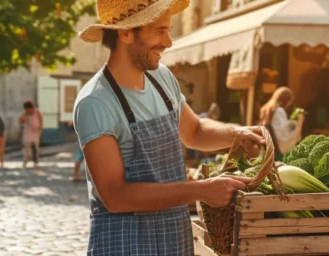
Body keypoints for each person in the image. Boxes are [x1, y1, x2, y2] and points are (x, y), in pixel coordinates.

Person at [73, 0, 265, 253]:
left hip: (174, 240)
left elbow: (194, 131)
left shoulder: (161, 78)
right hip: (125, 244)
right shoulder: (95, 102)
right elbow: (116, 196)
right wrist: (201, 191)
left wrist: (236, 134)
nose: (169, 42)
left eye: (168, 30)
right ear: (126, 32)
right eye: (159, 31)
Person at [259, 87, 304, 159]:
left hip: (268, 149)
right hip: (278, 152)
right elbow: (284, 135)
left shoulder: (266, 110)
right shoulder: (278, 111)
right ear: (286, 101)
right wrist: (299, 122)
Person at [19, 100, 43, 168]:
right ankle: (25, 161)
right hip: (27, 132)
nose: (27, 110)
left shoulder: (37, 112)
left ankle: (36, 161)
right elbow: (20, 121)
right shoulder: (25, 114)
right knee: (26, 148)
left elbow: (41, 121)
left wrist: (40, 130)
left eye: (27, 108)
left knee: (35, 148)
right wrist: (24, 116)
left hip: (36, 132)